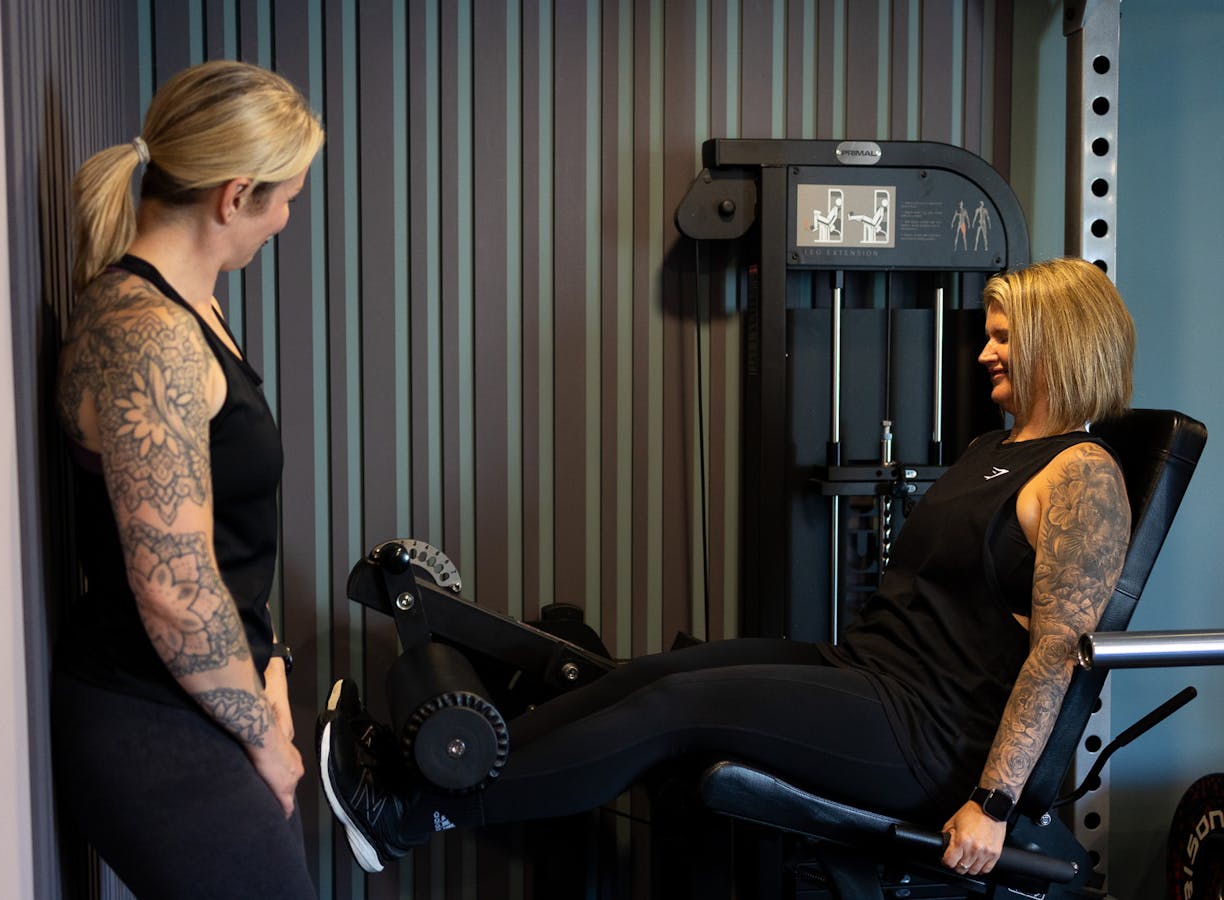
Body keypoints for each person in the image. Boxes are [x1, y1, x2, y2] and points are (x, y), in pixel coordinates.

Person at [320, 256, 1136, 880]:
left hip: (929, 737)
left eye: (1003, 336)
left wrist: (992, 804)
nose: (986, 351)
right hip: (872, 674)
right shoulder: (993, 449)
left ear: (1057, 342)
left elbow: (1057, 656)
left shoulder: (1083, 475)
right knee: (652, 675)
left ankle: (408, 813)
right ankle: (413, 763)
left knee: (678, 706)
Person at [51, 60, 324, 899]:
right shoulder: (148, 336)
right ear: (234, 196)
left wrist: (267, 667)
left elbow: (232, 541)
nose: (284, 221)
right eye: (284, 199)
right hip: (153, 716)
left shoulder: (187, 310)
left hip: (209, 696)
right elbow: (173, 587)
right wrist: (269, 743)